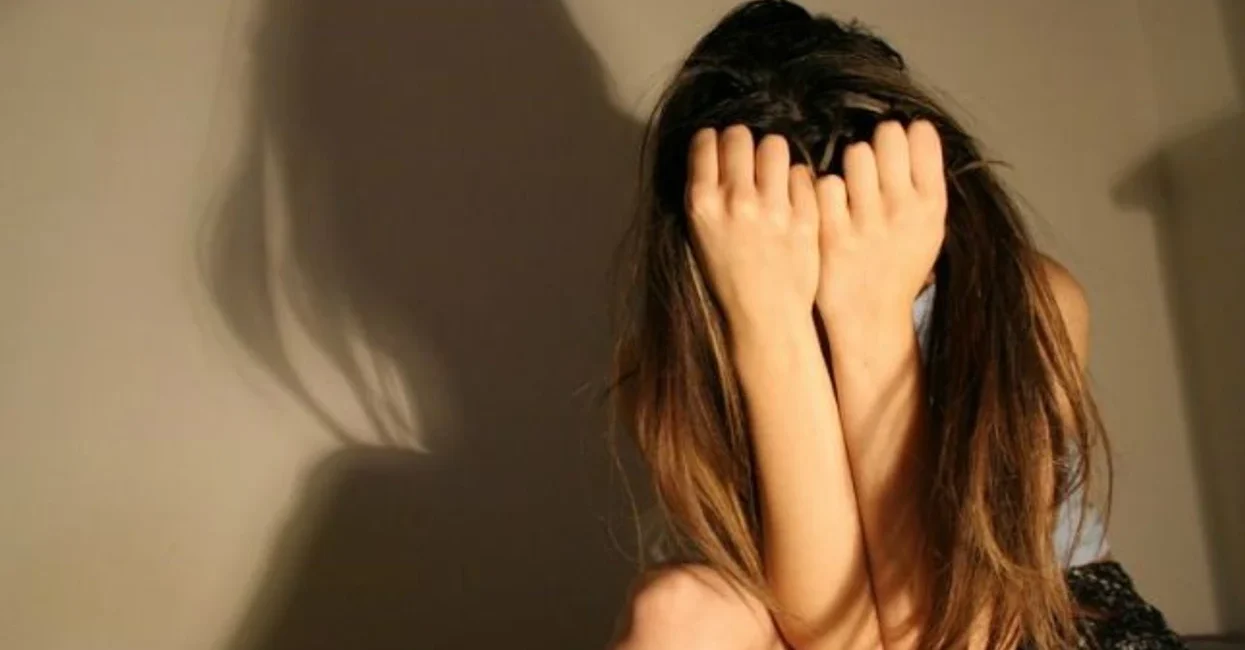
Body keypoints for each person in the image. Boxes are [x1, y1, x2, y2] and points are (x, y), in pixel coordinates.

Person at [607, 2, 1184, 648]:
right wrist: (768, 323)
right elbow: (836, 636)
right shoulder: (675, 368)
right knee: (679, 611)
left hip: (1038, 627)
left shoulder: (1029, 305)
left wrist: (872, 316)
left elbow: (963, 637)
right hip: (841, 635)